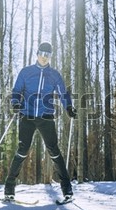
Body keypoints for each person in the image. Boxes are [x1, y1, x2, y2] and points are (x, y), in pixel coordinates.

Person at [4, 41, 77, 201]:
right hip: (27, 116)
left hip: (46, 117)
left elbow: (63, 93)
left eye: (48, 55)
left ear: (51, 57)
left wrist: (69, 107)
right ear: (37, 54)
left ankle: (67, 191)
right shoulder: (26, 72)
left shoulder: (54, 75)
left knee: (54, 151)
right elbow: (17, 90)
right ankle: (9, 189)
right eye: (42, 54)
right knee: (22, 150)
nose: (44, 57)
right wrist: (15, 102)